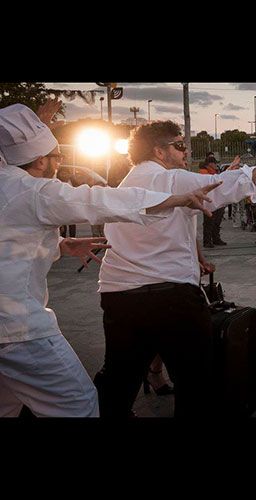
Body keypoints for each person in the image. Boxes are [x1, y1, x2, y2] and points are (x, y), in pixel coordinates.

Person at [0, 104, 217, 417]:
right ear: (40, 160)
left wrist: (60, 243)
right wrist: (174, 199)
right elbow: (97, 200)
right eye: (57, 156)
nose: (60, 163)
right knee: (78, 404)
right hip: (17, 328)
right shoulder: (34, 191)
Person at [94, 121, 256, 417]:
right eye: (179, 145)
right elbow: (227, 187)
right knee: (195, 381)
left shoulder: (126, 184)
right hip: (170, 296)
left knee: (119, 377)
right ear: (159, 151)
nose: (185, 150)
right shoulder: (171, 179)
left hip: (119, 294)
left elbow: (175, 222)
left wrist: (197, 255)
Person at [199, 157, 227, 247]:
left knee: (217, 221)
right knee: (209, 222)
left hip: (217, 200)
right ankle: (207, 241)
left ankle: (216, 238)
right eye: (215, 163)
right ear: (210, 164)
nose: (216, 165)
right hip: (209, 201)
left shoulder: (214, 172)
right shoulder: (203, 172)